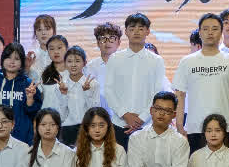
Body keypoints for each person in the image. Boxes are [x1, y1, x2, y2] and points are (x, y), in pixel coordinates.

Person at [172, 12, 229, 152]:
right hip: (194, 128)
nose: (210, 32)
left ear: (221, 32)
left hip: (224, 128)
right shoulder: (187, 61)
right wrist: (179, 125)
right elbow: (180, 95)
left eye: (215, 29)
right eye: (205, 29)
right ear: (200, 33)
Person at [103, 12, 169, 150]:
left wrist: (142, 118)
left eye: (141, 28)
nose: (136, 32)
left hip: (146, 124)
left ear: (147, 31)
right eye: (132, 28)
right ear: (126, 32)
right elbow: (108, 90)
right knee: (119, 162)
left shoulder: (156, 61)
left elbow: (158, 93)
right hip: (119, 123)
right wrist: (125, 115)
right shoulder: (115, 59)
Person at [0, 42, 40, 145]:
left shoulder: (28, 84)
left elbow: (34, 114)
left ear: (22, 62)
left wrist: (29, 99)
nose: (12, 62)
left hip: (22, 140)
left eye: (17, 59)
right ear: (3, 59)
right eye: (8, 57)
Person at [42, 44, 97, 147]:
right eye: (70, 61)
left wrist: (86, 92)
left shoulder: (92, 84)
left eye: (77, 61)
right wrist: (63, 94)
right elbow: (62, 115)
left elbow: (94, 112)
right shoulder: (60, 85)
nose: (73, 65)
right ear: (65, 63)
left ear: (84, 63)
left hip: (87, 128)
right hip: (66, 130)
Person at [84, 22, 121, 89]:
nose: (107, 42)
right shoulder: (90, 67)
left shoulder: (126, 65)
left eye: (112, 38)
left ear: (119, 42)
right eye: (103, 38)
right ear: (98, 43)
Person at [26, 13, 57, 78]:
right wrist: (26, 67)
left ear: (54, 31)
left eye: (47, 29)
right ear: (35, 33)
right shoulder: (31, 56)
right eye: (39, 30)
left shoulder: (61, 55)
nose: (43, 33)